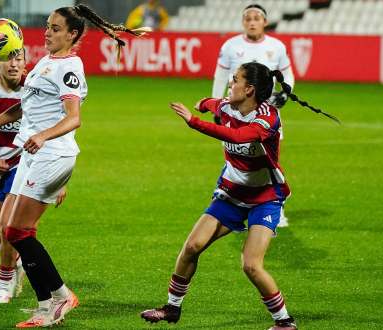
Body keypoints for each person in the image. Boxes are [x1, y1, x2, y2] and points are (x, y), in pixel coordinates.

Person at [0, 5, 151, 327]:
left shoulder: (69, 68)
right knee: (8, 230)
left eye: (55, 28)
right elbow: (22, 108)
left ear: (73, 35)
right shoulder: (45, 62)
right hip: (31, 154)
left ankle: (58, 297)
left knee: (17, 231)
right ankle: (48, 303)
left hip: (52, 154)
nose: (47, 32)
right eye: (47, 26)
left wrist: (42, 136)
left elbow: (74, 117)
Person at [141, 62, 339, 329]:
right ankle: (172, 308)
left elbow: (237, 136)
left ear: (249, 90)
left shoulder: (267, 118)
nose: (229, 84)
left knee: (251, 265)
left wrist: (193, 121)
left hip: (265, 198)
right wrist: (203, 103)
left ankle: (284, 323)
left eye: (234, 80)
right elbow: (214, 103)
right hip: (231, 194)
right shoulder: (227, 105)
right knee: (191, 247)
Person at [0, 49, 66, 304]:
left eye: (19, 58)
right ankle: (20, 262)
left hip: (26, 163)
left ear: (25, 62)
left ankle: (4, 284)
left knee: (9, 226)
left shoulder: (34, 87)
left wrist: (58, 179)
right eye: (8, 59)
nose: (14, 64)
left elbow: (54, 128)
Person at [212, 4, 296, 227]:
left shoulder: (277, 46)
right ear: (243, 22)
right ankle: (234, 205)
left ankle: (276, 209)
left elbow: (288, 74)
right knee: (233, 158)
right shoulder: (230, 46)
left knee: (269, 160)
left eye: (256, 18)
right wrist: (217, 106)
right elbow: (220, 76)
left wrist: (284, 95)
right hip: (234, 112)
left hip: (265, 115)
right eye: (247, 18)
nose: (252, 22)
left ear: (265, 22)